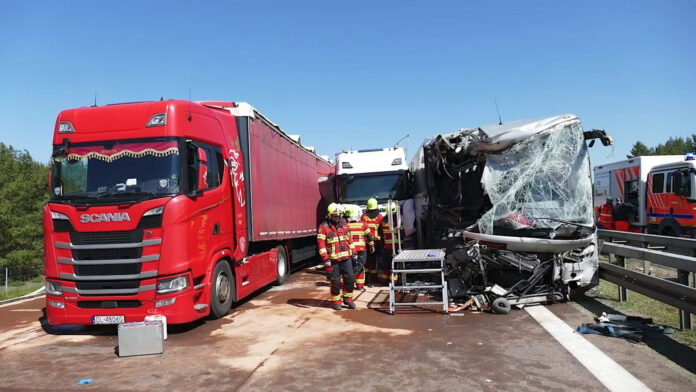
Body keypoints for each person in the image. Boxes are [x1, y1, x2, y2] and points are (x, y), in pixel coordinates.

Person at [317, 203, 357, 310]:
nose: (337, 217)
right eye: (335, 215)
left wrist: (354, 251)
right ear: (330, 215)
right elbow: (321, 244)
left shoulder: (344, 223)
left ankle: (348, 300)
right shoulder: (323, 227)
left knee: (350, 279)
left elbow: (349, 238)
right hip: (333, 260)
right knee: (335, 281)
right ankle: (336, 302)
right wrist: (325, 259)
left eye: (339, 215)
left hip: (346, 258)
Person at [344, 205, 374, 290]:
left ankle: (357, 284)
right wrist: (372, 245)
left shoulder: (346, 226)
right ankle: (356, 284)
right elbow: (369, 236)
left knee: (353, 266)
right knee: (360, 266)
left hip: (350, 249)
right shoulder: (364, 224)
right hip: (361, 249)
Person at [361, 197, 383, 284]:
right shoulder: (380, 217)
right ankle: (373, 279)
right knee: (374, 261)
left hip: (366, 242)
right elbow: (382, 231)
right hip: (376, 242)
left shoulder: (363, 217)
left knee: (366, 261)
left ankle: (366, 279)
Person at [379, 202, 402, 285]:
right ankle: (393, 282)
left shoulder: (383, 222)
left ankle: (383, 281)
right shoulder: (398, 221)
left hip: (386, 247)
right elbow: (402, 233)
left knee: (386, 265)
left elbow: (380, 234)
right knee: (395, 265)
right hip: (396, 246)